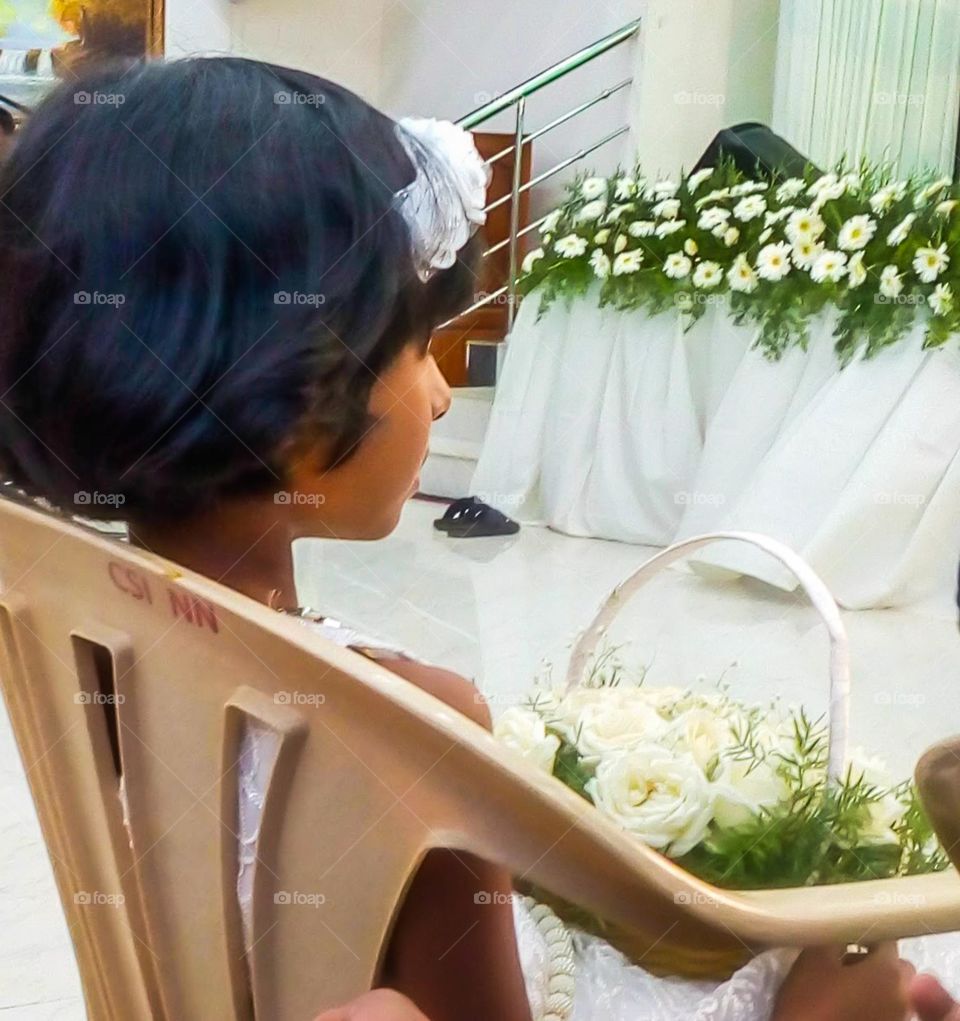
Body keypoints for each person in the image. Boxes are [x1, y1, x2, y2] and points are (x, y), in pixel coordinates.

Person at [0, 55, 955, 1021]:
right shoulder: (407, 722)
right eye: (420, 347)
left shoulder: (66, 604)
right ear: (291, 390)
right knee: (873, 971)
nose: (445, 392)